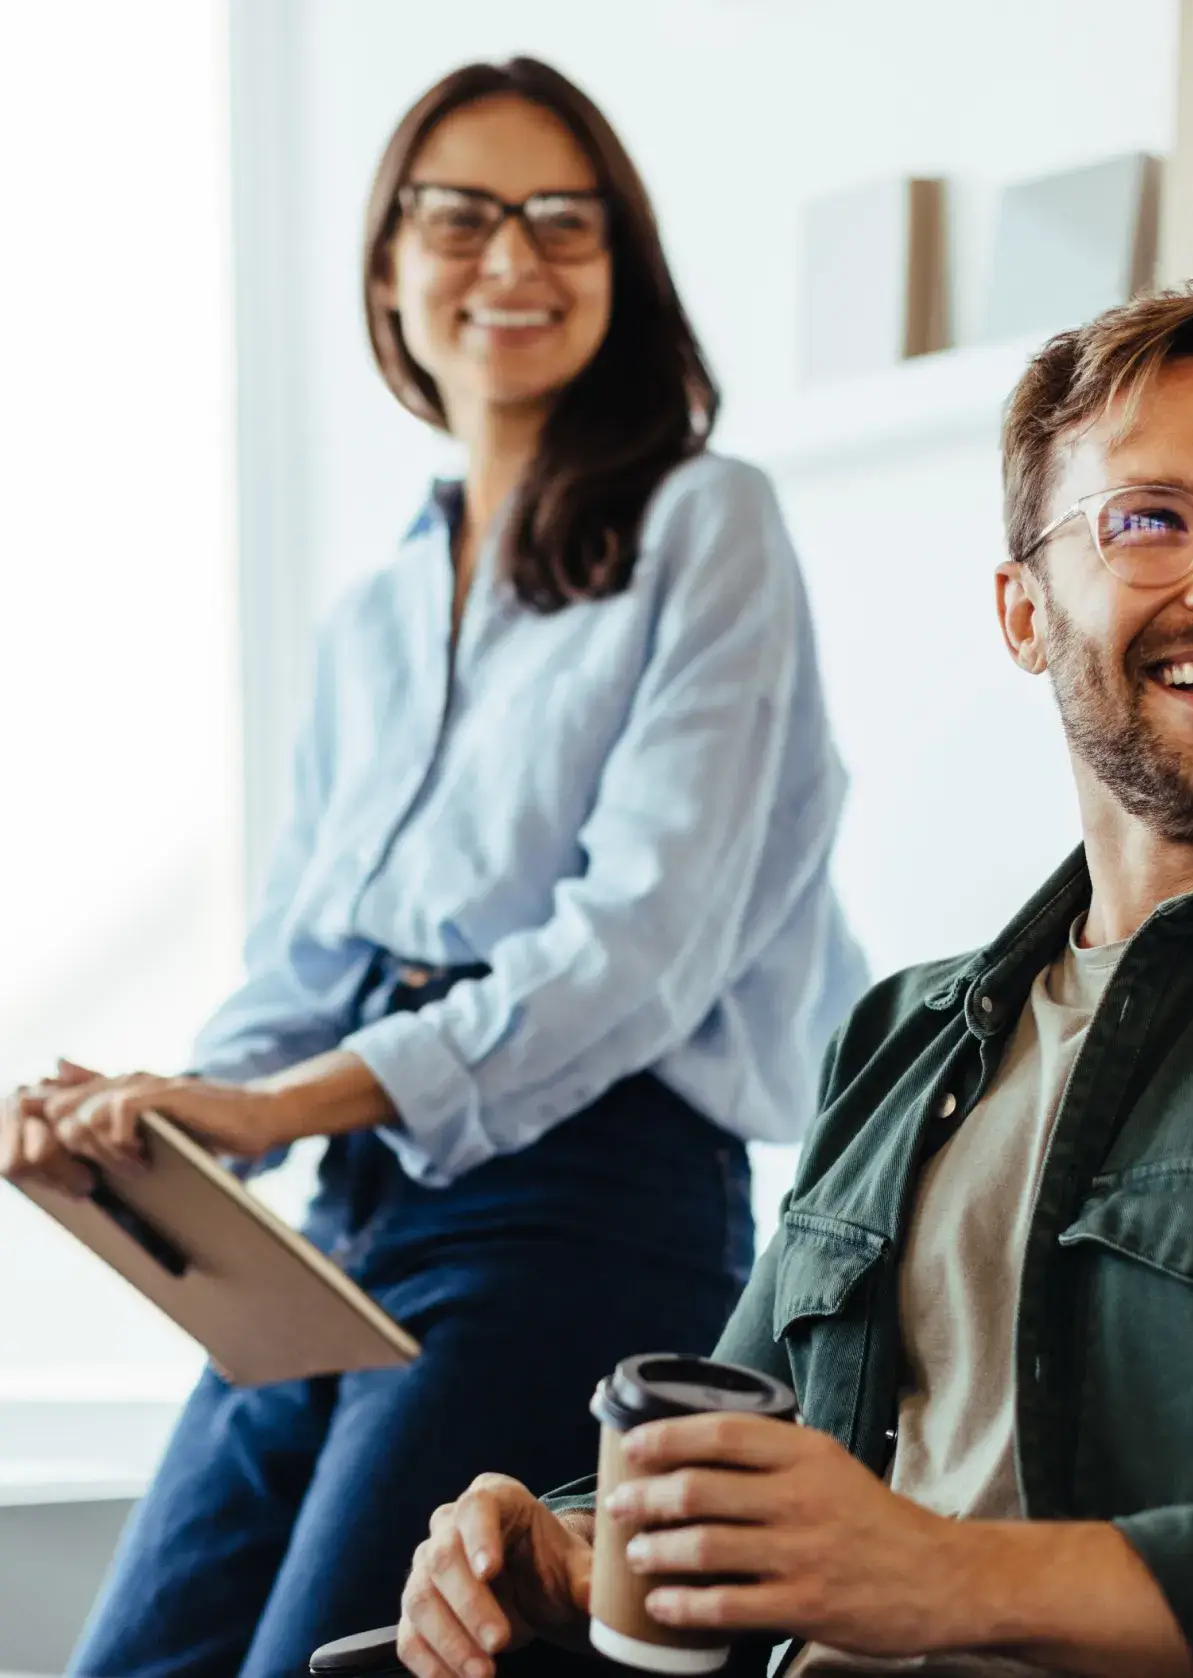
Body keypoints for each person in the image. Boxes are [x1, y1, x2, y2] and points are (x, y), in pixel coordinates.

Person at [387, 279, 1193, 1678]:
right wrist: (572, 1540)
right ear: (1021, 610)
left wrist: (945, 1573)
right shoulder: (901, 1034)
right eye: (1149, 518)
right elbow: (756, 1472)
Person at [0, 55, 866, 1678]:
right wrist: (161, 1116)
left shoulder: (708, 523)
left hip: (587, 1205)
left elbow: (637, 952)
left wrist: (277, 1104)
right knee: (134, 1656)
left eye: (563, 218)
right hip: (353, 1212)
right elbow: (307, 955)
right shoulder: (377, 609)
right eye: (460, 215)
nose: (512, 260)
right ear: (389, 265)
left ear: (626, 260)